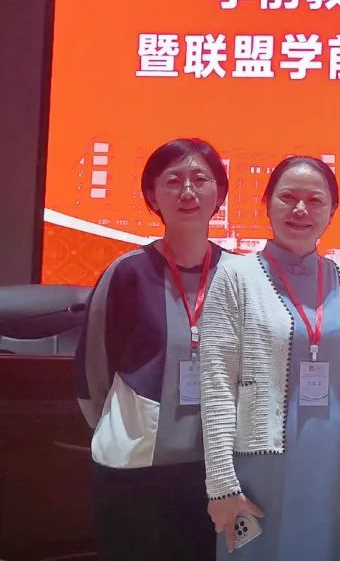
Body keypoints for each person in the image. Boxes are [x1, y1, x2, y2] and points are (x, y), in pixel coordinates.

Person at [199, 156, 340, 559]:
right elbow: (216, 385)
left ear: (333, 210)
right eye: (288, 198)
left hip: (336, 465)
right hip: (258, 466)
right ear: (267, 203)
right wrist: (221, 485)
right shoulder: (235, 277)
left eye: (315, 200)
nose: (300, 209)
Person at [74, 138, 232, 561]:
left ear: (219, 192)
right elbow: (92, 370)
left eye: (200, 179)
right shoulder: (127, 272)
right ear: (151, 194)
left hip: (219, 470)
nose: (187, 191)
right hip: (135, 469)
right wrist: (123, 428)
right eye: (173, 181)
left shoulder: (241, 275)